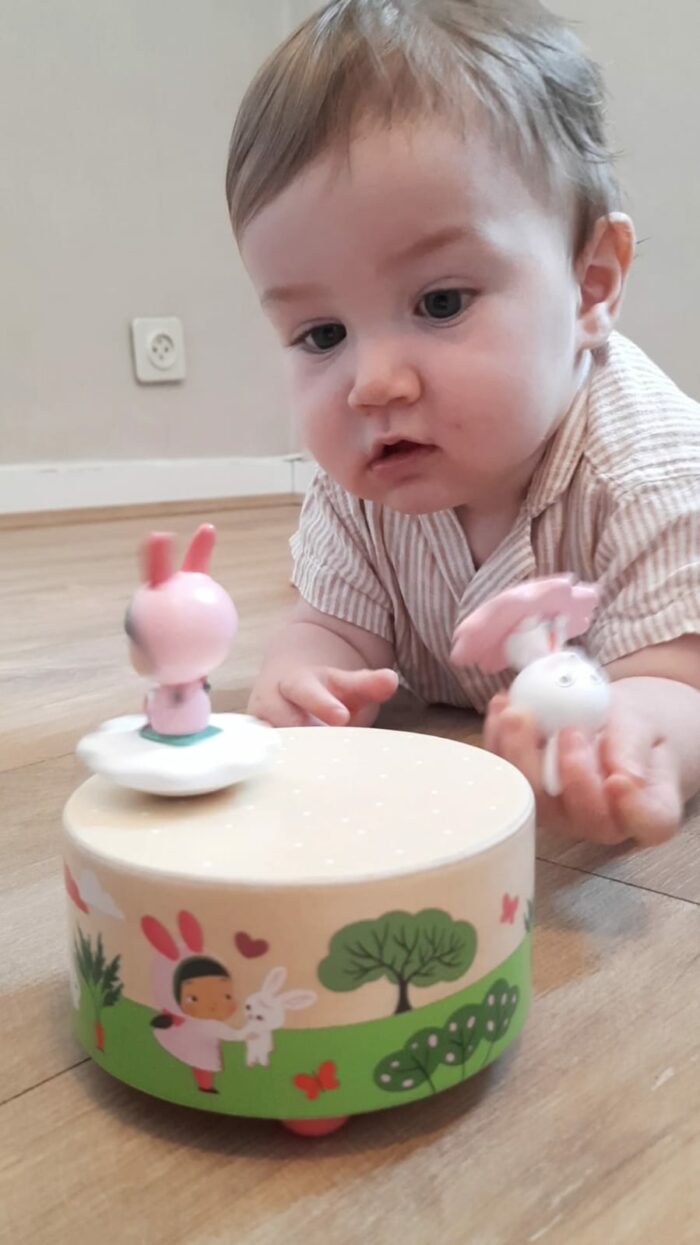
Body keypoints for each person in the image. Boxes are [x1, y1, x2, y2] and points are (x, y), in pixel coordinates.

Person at [225, 0, 700, 846]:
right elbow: (329, 625)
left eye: (440, 302)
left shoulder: (650, 472)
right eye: (322, 335)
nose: (372, 384)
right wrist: (304, 678)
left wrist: (631, 739)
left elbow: (680, 680)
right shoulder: (356, 485)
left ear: (590, 286)